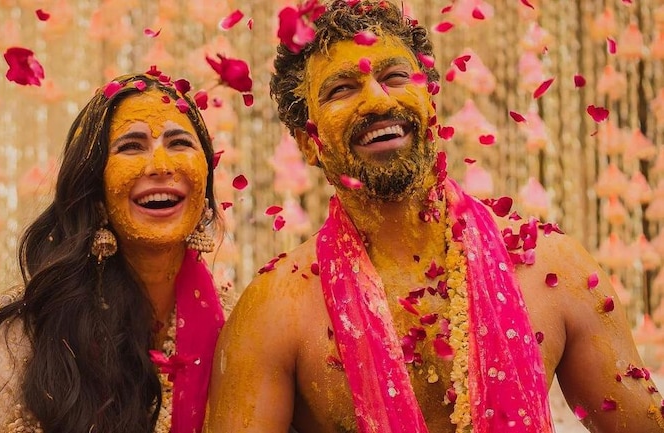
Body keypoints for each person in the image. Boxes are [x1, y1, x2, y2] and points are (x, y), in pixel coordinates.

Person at [204, 1, 664, 432]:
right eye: (341, 89)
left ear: (432, 102)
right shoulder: (273, 310)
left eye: (396, 76)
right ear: (308, 142)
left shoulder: (554, 267)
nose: (379, 101)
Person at [0, 72, 226, 433]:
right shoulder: (24, 335)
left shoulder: (237, 328)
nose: (160, 165)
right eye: (131, 146)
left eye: (179, 142)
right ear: (96, 189)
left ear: (206, 185)